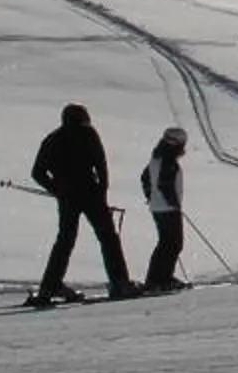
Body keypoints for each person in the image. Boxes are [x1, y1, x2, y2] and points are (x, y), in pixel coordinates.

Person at [29, 102, 136, 305]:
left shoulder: (52, 139)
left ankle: (49, 286)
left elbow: (37, 173)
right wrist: (102, 191)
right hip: (91, 194)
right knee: (108, 238)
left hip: (67, 198)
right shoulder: (88, 134)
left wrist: (57, 190)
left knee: (65, 241)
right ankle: (119, 282)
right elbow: (101, 165)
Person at [139, 126, 190, 291]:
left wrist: (150, 196)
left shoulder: (157, 158)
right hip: (167, 208)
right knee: (173, 244)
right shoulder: (168, 160)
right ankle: (160, 279)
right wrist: (173, 202)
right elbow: (164, 184)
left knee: (166, 243)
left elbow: (145, 178)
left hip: (158, 207)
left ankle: (159, 278)